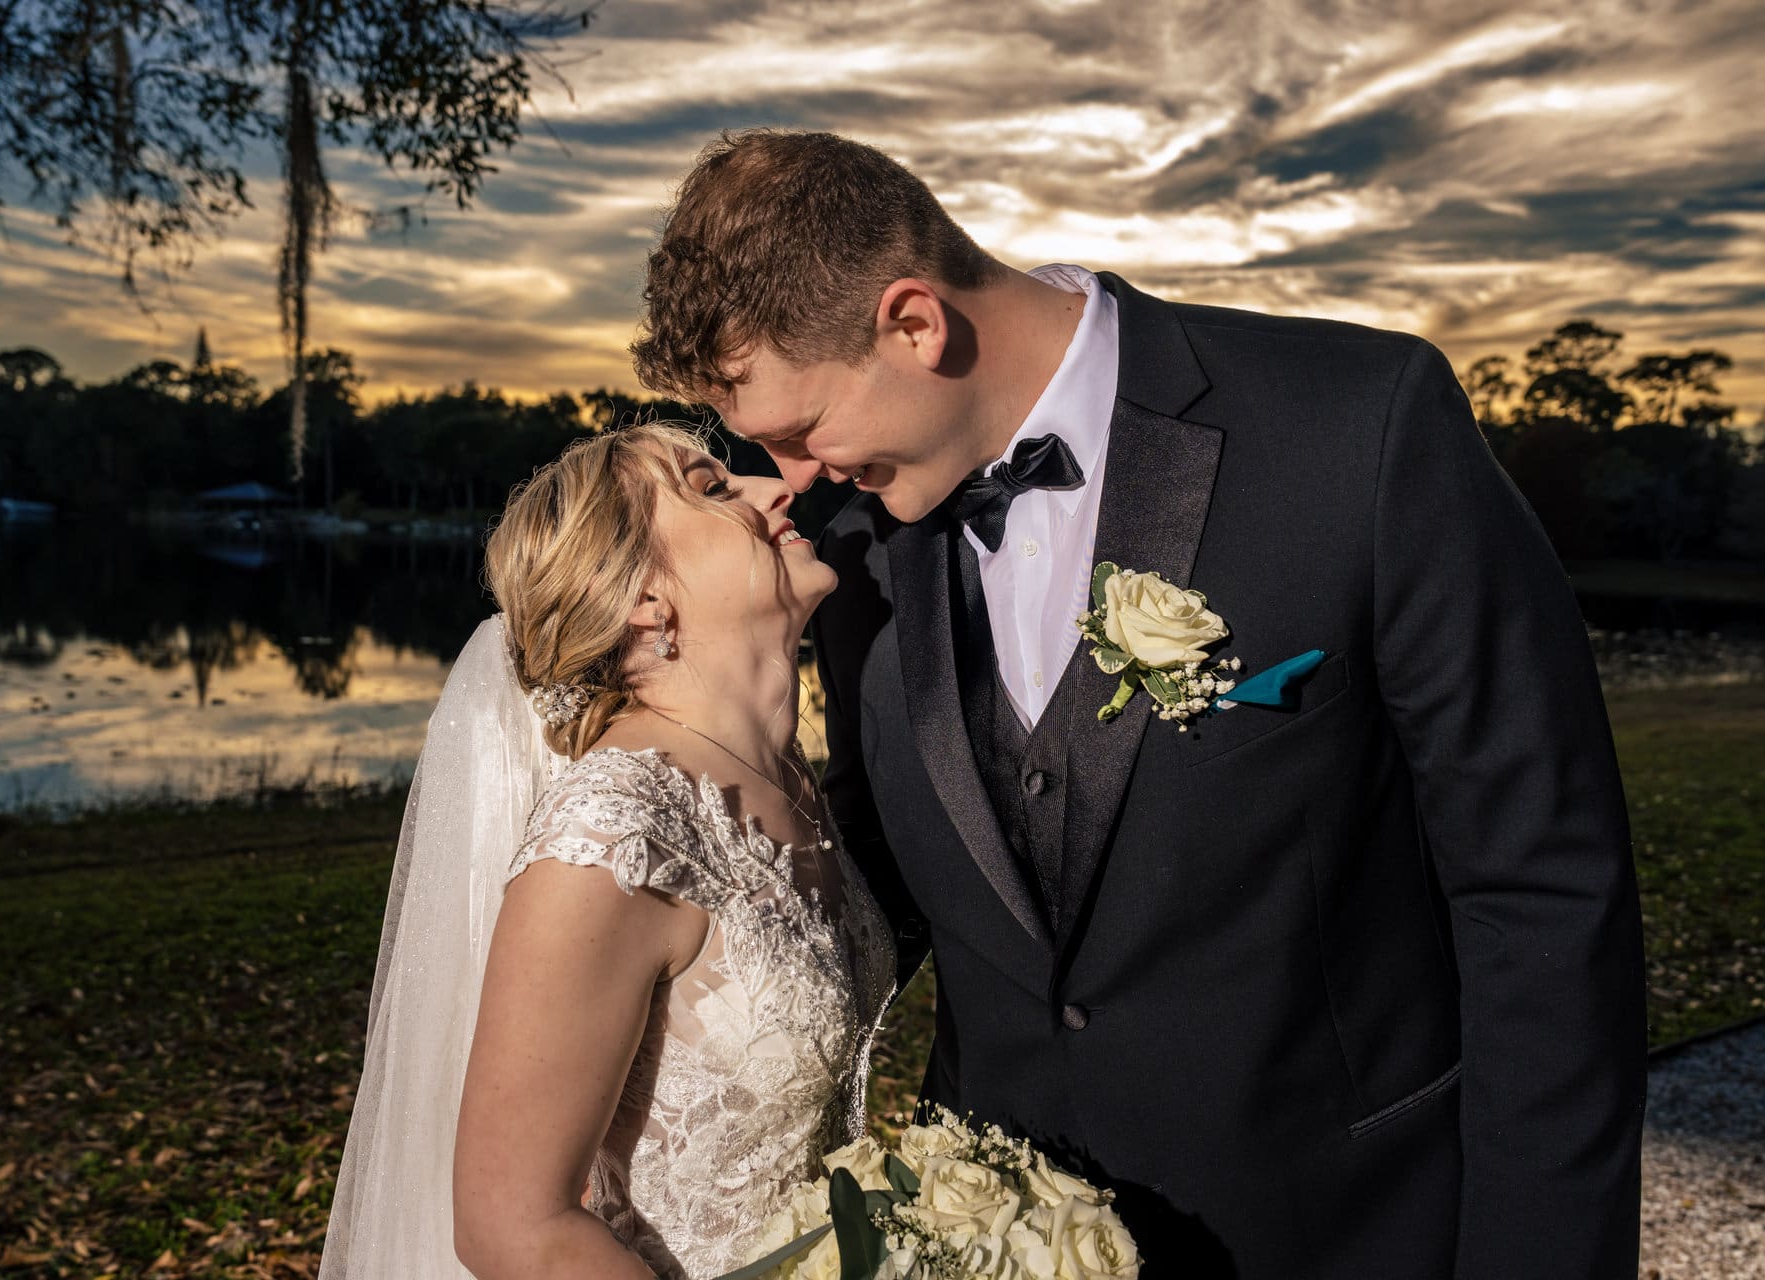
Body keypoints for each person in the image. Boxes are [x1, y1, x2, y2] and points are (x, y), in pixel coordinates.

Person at [631, 130, 1648, 1277]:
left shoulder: (1360, 428)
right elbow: (876, 878)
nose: (796, 478)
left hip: (1344, 1231)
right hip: (999, 1239)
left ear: (914, 323)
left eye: (801, 430)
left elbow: (1545, 898)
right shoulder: (858, 549)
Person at [319, 422, 895, 1279]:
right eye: (711, 488)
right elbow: (513, 1228)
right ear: (642, 600)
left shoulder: (787, 778)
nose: (774, 489)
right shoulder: (614, 832)